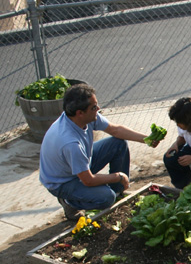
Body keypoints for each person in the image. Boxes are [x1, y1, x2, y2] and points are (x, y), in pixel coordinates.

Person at [39, 83, 160, 220]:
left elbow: (115, 130)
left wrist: (147, 139)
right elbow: (88, 180)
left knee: (118, 143)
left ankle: (117, 190)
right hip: (62, 182)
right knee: (106, 198)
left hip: (78, 164)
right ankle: (69, 202)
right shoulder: (71, 143)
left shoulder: (84, 118)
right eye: (94, 107)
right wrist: (118, 176)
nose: (99, 109)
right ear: (80, 113)